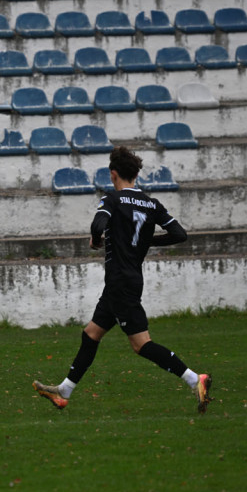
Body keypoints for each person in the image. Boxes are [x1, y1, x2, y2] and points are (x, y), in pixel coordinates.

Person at [32, 146, 213, 413]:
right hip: (128, 280)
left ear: (113, 174)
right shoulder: (151, 204)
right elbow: (179, 233)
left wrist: (96, 240)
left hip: (119, 282)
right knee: (91, 334)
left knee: (141, 345)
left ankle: (195, 379)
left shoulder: (112, 199)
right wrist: (147, 240)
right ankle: (64, 391)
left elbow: (97, 226)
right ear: (136, 174)